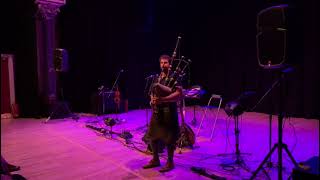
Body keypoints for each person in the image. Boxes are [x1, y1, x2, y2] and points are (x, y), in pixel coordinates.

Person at [143, 55, 182, 172]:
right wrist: (152, 100)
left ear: (170, 64)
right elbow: (152, 92)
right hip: (157, 111)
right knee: (152, 135)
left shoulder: (174, 77)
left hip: (169, 111)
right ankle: (155, 159)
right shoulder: (157, 77)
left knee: (169, 138)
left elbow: (179, 94)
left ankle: (170, 162)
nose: (163, 65)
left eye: (165, 63)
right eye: (161, 63)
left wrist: (163, 100)